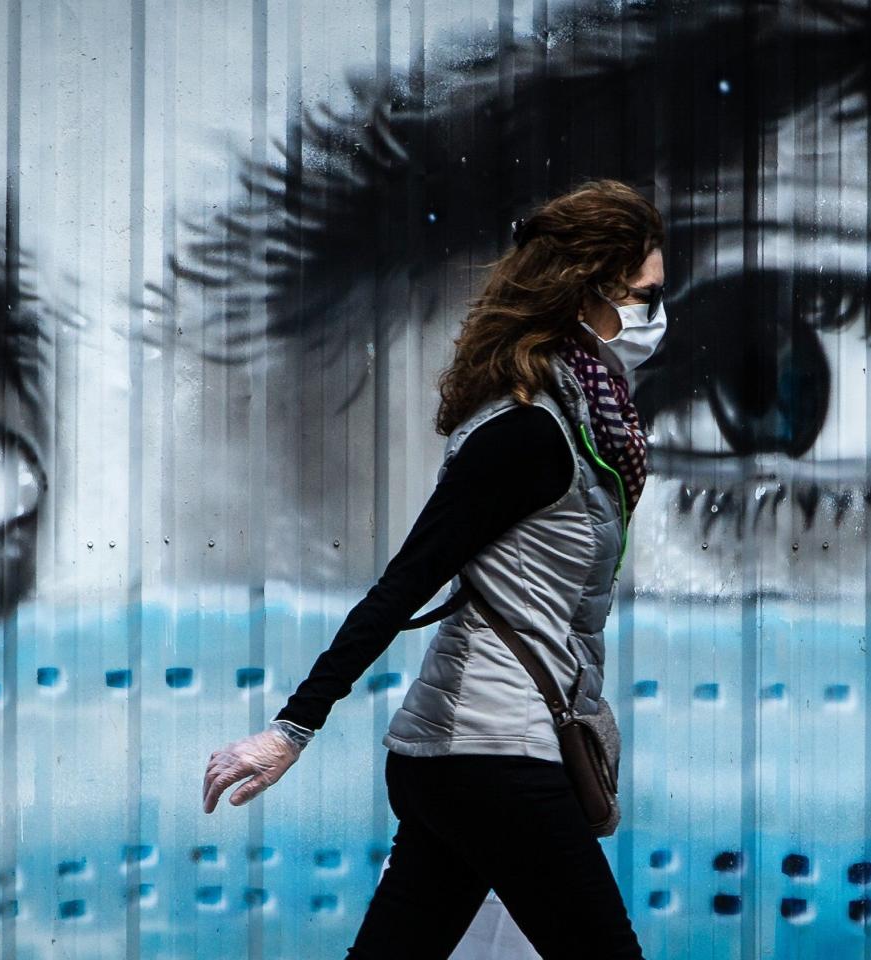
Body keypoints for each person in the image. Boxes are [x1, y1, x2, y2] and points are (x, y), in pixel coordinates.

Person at [202, 178, 665, 960]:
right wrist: (290, 730)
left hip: (466, 762)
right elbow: (404, 584)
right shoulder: (529, 434)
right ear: (588, 291)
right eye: (645, 295)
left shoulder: (579, 421)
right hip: (495, 756)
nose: (656, 313)